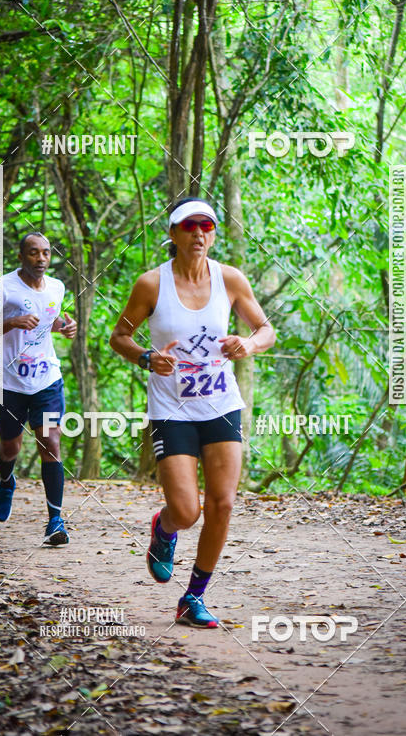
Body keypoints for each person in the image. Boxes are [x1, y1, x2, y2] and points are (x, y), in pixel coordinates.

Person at [110, 198, 275, 627]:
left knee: (222, 503)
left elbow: (266, 329)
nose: (198, 233)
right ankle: (164, 530)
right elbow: (119, 336)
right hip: (172, 408)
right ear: (173, 234)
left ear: (214, 232)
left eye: (207, 225)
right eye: (189, 226)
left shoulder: (230, 279)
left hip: (220, 405)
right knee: (187, 511)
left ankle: (193, 597)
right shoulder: (151, 284)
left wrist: (248, 345)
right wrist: (147, 357)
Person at [0, 232, 77, 545]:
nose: (40, 259)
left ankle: (55, 521)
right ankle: (6, 480)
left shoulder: (57, 287)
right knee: (10, 448)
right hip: (9, 382)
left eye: (45, 253)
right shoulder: (1, 287)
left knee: (50, 443)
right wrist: (12, 323)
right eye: (33, 253)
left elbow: (49, 322)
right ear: (20, 257)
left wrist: (65, 327)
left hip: (46, 379)